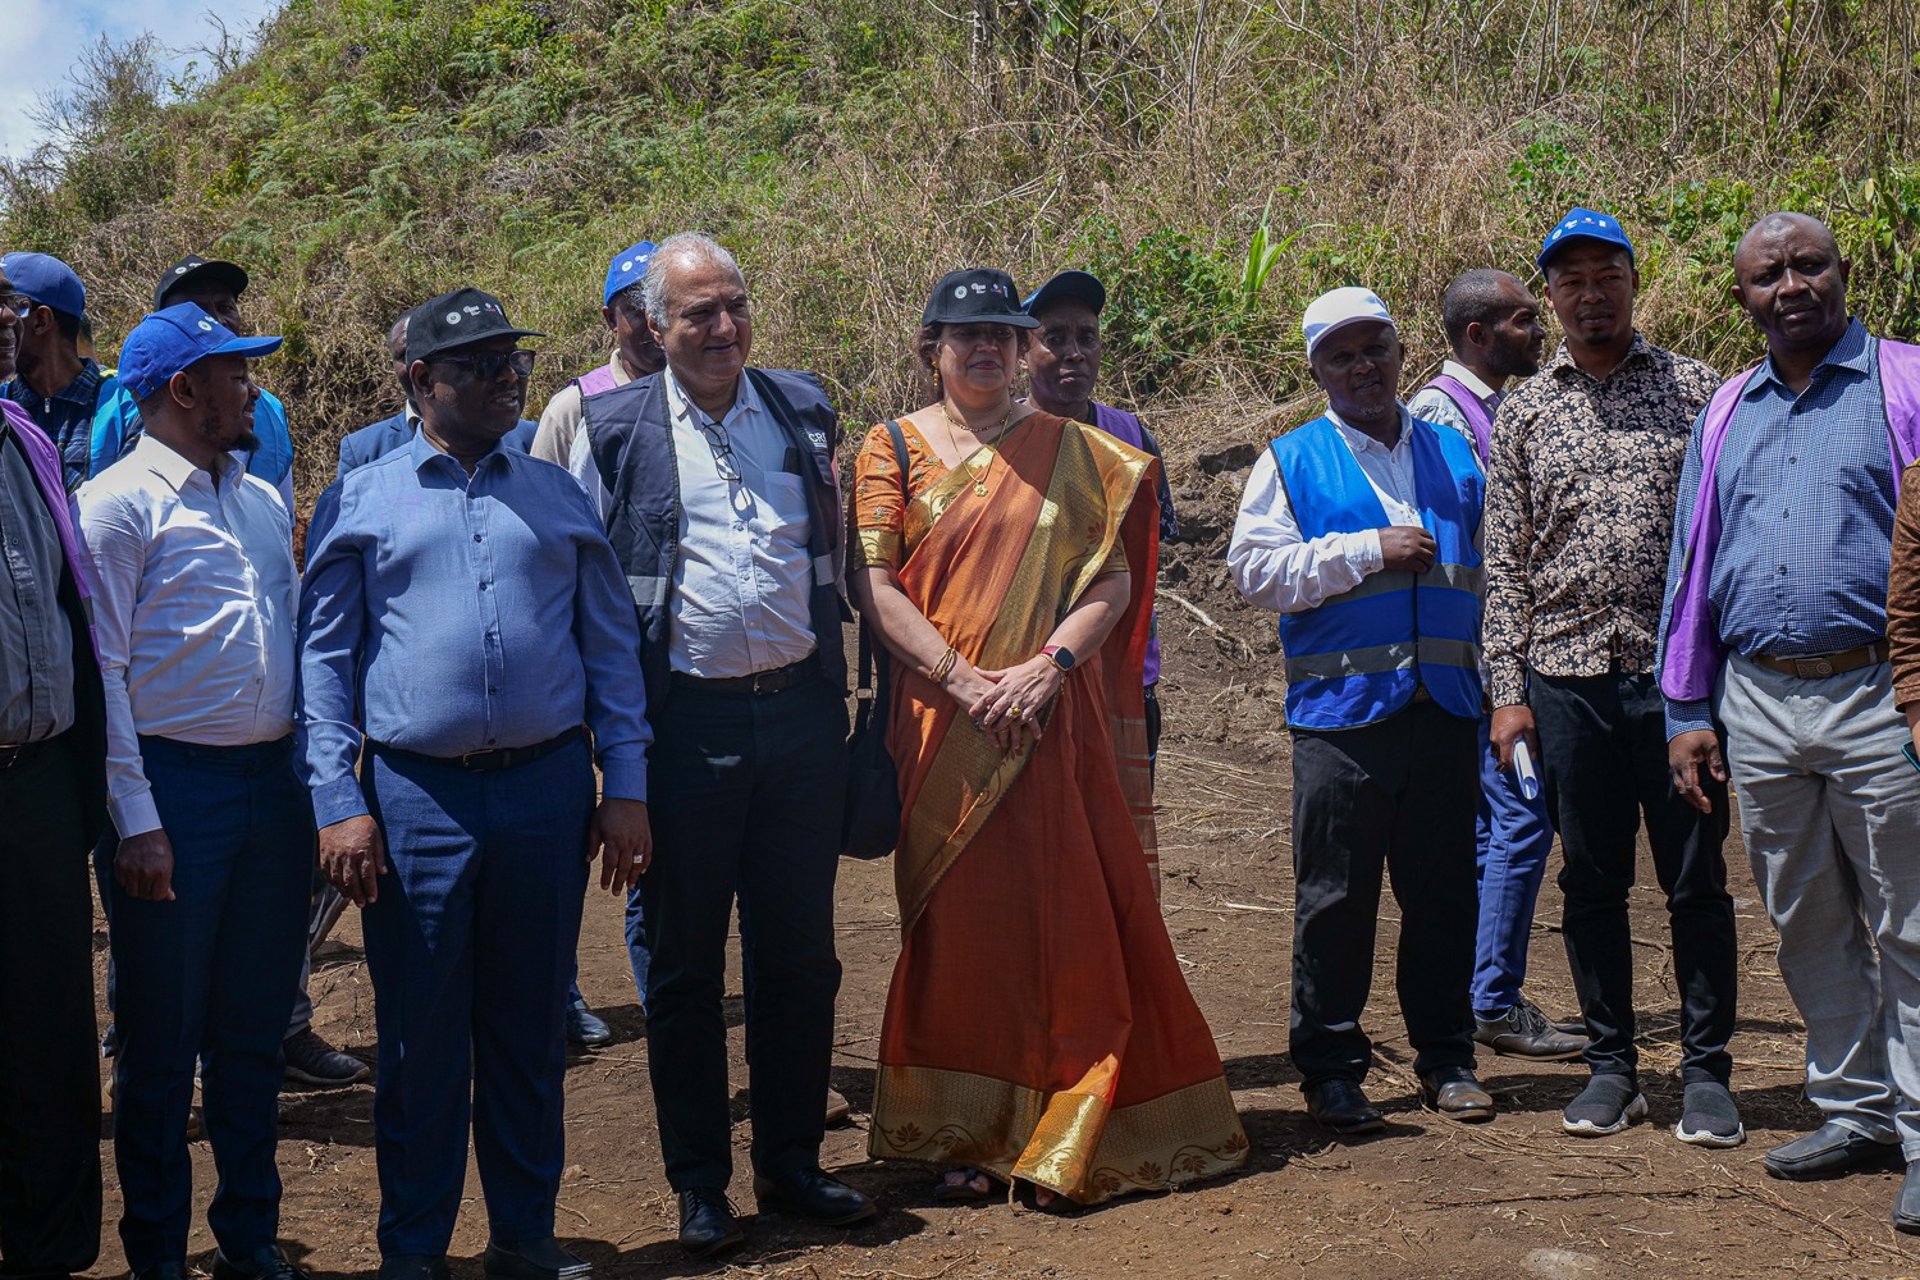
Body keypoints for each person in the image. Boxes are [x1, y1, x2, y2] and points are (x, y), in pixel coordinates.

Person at [856, 267, 1246, 1205]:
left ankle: (1062, 1123)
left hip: (1046, 717)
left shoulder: (1077, 451)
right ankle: (959, 1125)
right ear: (932, 348)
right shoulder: (892, 448)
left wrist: (1047, 669)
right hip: (940, 723)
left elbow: (1109, 582)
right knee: (956, 926)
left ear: (1023, 346)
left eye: (1002, 332)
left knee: (1061, 908)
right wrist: (961, 678)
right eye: (965, 334)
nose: (985, 347)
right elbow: (873, 586)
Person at [299, 287, 653, 1280]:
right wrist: (338, 797)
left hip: (545, 793)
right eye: (481, 365)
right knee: (418, 1033)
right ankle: (413, 1247)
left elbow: (611, 649)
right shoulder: (363, 498)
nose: (507, 379)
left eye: (515, 362)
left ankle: (523, 1237)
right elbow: (323, 663)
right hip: (418, 801)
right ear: (419, 379)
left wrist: (622, 780)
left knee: (530, 1025)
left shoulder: (553, 493)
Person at [572, 232, 871, 1258]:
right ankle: (701, 1182)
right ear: (652, 327)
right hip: (683, 731)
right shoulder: (610, 430)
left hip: (798, 722)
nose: (722, 328)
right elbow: (592, 607)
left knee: (800, 957)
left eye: (735, 305)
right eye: (697, 313)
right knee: (687, 973)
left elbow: (847, 558)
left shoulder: (802, 406)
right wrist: (618, 764)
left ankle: (791, 1162)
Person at [1670, 213, 1920, 1220]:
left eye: (1808, 265)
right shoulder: (1728, 408)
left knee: (1910, 917)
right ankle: (1855, 1106)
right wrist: (1687, 702)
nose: (1791, 286)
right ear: (1743, 299)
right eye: (1768, 275)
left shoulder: (1905, 383)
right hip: (1759, 698)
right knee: (1806, 913)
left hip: (1881, 695)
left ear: (1843, 273)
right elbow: (1694, 564)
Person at [1483, 207, 1741, 1146]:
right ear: (1550, 296)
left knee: (1695, 881)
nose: (1592, 296)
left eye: (1608, 277)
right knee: (1591, 880)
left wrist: (1715, 683)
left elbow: (1722, 539)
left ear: (1635, 282)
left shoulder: (1698, 391)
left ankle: (1707, 1074)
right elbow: (1504, 562)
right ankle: (1611, 1068)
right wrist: (1507, 695)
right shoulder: (1526, 407)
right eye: (1572, 282)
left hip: (1676, 687)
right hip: (1565, 679)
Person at [76, 303, 311, 1280]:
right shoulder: (117, 504)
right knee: (164, 1044)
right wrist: (138, 822)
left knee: (253, 1031)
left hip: (270, 788)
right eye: (236, 374)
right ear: (184, 389)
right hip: (173, 790)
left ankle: (250, 1235)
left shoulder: (256, 498)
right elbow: (106, 675)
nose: (252, 388)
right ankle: (159, 1250)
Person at [1229, 286, 1493, 1134]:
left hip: (1446, 709)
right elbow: (1255, 574)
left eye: (1374, 347)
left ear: (1400, 350)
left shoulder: (1456, 455)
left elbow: (1495, 578)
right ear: (1317, 370)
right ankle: (1332, 1069)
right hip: (1340, 717)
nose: (1362, 367)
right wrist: (1364, 551)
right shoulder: (1292, 459)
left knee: (1445, 895)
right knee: (1335, 900)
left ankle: (1447, 1059)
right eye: (1341, 355)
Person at [1404, 270, 1583, 1062]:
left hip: (1488, 652)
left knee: (1495, 824)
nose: (1539, 331)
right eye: (1521, 321)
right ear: (1477, 334)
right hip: (1480, 656)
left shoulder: (1488, 407)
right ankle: (1492, 1000)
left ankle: (1480, 989)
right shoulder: (1443, 415)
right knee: (1520, 815)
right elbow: (1470, 545)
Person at [531, 238, 666, 1048]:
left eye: (660, 310)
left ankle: (662, 993)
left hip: (670, 658)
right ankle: (565, 988)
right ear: (610, 318)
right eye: (632, 312)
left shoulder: (712, 398)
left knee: (650, 816)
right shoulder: (573, 407)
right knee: (576, 824)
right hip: (589, 653)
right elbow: (545, 534)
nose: (647, 327)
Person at [0, 310, 108, 1279]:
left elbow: (71, 607)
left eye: (3, 307)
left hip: (37, 780)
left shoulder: (27, 437)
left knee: (50, 1028)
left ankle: (53, 1248)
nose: (3, 325)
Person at [1021, 269, 1180, 780]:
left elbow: (1153, 550)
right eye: (1055, 338)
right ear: (1023, 353)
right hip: (1027, 673)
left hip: (1124, 674)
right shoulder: (998, 442)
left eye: (1086, 337)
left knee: (1120, 837)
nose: (1074, 352)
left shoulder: (1133, 437)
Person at [91, 257, 299, 516]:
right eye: (196, 312)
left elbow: (282, 519)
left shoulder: (269, 411)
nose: (217, 321)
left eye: (225, 307)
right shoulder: (117, 408)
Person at [337, 310, 536, 477]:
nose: (509, 375)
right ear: (422, 376)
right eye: (405, 354)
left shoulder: (529, 439)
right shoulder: (363, 450)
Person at [1, 252, 124, 492]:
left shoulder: (125, 407)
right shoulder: (3, 404)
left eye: (11, 306)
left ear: (41, 321)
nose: (5, 319)